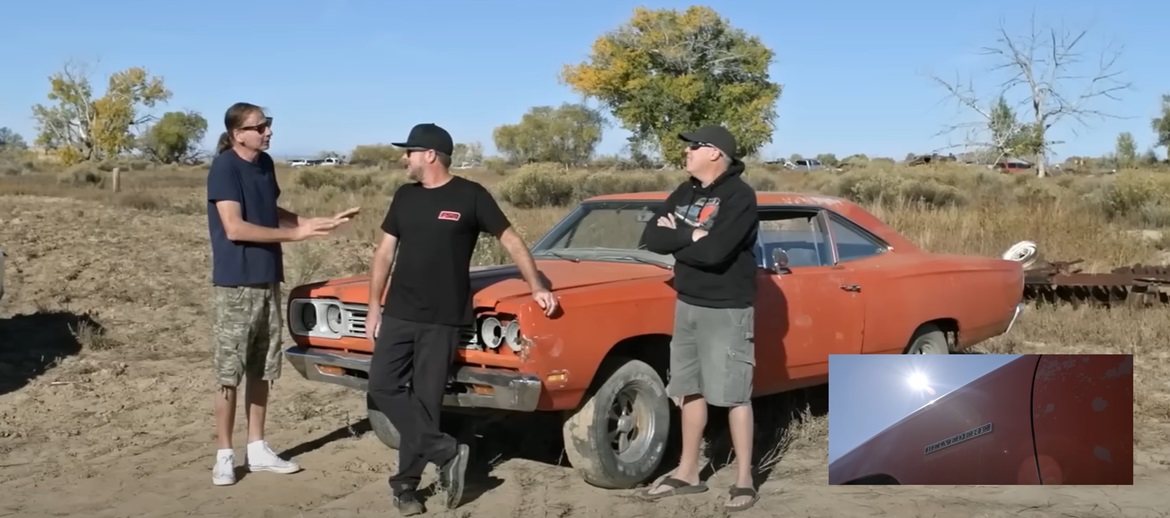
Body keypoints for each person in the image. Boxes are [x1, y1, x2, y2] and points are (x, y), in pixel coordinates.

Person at [365, 123, 558, 515]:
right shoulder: (405, 197)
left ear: (430, 155)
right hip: (400, 312)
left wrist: (536, 284)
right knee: (383, 387)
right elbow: (384, 253)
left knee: (426, 403)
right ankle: (447, 450)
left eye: (410, 152)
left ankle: (405, 486)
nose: (405, 158)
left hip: (443, 318)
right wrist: (373, 305)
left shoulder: (470, 196)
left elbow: (511, 240)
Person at [206, 102, 358, 487]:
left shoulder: (264, 165)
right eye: (260, 127)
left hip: (267, 279)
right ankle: (225, 455)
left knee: (262, 368)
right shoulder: (225, 168)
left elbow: (268, 210)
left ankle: (256, 449)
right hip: (236, 284)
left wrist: (309, 222)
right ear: (238, 134)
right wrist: (295, 235)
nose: (268, 132)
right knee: (230, 372)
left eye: (268, 125)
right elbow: (236, 227)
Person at [637, 125, 761, 512]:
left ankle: (744, 480)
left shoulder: (739, 196)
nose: (687, 152)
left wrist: (684, 236)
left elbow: (717, 253)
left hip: (726, 306)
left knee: (734, 394)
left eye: (695, 146)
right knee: (688, 388)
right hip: (687, 301)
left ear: (715, 153)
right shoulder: (686, 190)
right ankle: (687, 472)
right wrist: (694, 237)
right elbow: (651, 237)